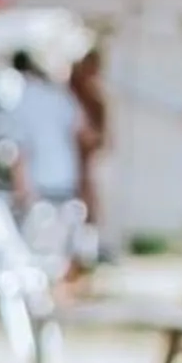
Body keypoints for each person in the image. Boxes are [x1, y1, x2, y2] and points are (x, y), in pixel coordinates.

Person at [0, 52, 84, 219]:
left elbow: (21, 151)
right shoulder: (62, 97)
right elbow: (79, 131)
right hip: (67, 179)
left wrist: (21, 191)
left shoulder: (24, 102)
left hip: (39, 184)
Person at [67, 51, 110, 233]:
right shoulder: (73, 92)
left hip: (88, 159)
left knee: (89, 197)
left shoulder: (97, 100)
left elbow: (102, 136)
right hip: (71, 158)